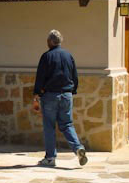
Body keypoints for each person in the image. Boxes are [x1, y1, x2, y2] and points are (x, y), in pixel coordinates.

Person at [33, 30, 88, 167]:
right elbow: (74, 75)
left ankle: (50, 157)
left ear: (50, 41)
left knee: (49, 126)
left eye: (47, 40)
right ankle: (77, 148)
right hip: (66, 94)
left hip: (51, 95)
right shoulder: (68, 55)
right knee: (67, 124)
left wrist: (36, 94)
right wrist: (72, 90)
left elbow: (40, 77)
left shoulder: (47, 56)